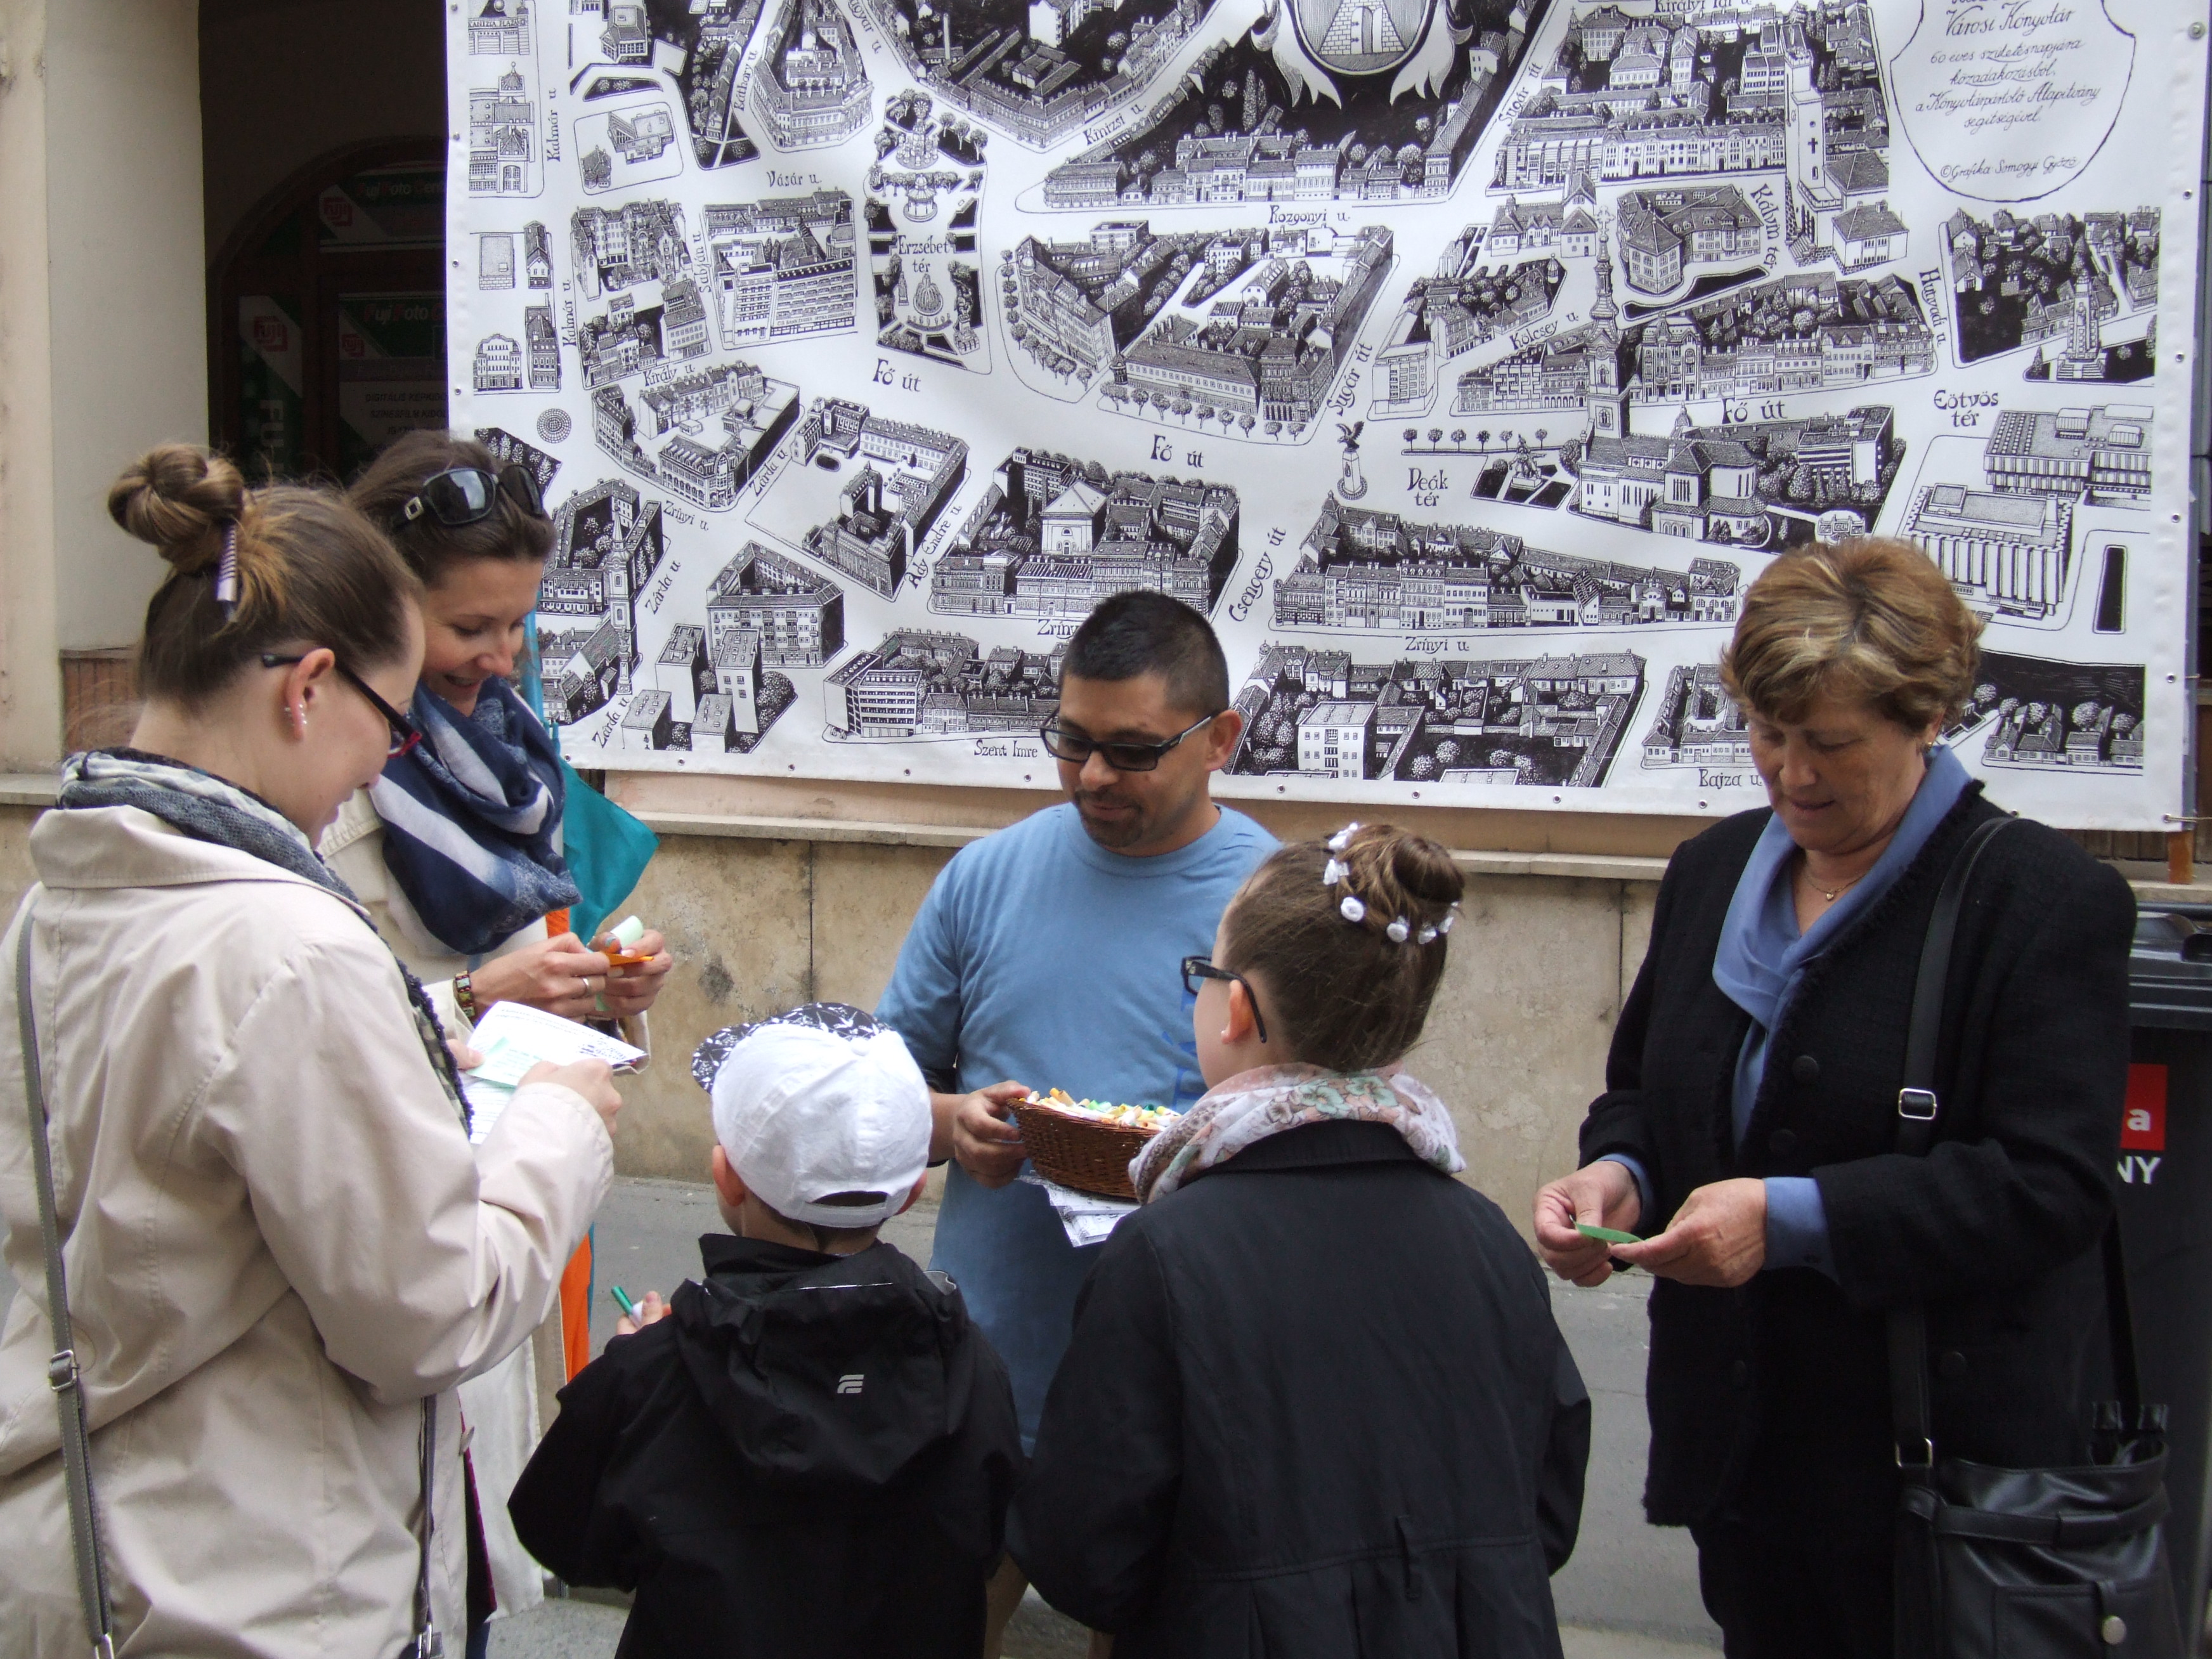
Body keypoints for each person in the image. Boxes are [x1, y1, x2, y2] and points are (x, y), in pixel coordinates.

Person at [0, 446, 620, 1655]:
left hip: (88, 1554)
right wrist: (561, 1125)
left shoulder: (49, 908)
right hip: (261, 1584)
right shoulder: (291, 944)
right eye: (387, 724)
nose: (386, 760)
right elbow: (427, 1314)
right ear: (308, 689)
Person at [1531, 538, 2135, 1659]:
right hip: (1742, 1460)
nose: (1791, 773)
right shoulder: (1711, 872)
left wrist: (1791, 1219)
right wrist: (1618, 1175)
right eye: (1767, 733)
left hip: (1931, 1486)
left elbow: (2050, 1188)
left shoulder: (2042, 902)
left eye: (1831, 742)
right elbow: (1645, 1089)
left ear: (1927, 718)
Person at [1013, 824, 1591, 1655]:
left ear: (1236, 1009)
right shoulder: (1488, 1240)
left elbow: (1087, 1555)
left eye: (1206, 975)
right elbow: (1546, 1510)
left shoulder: (1165, 1255)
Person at [331, 430, 675, 1641]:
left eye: (518, 624)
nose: (500, 656)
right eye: (469, 626)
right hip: (388, 1232)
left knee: (469, 1558)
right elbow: (313, 1033)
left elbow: (535, 953)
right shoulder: (330, 786)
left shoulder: (513, 752)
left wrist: (602, 991)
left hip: (503, 1204)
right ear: (374, 613)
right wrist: (479, 1000)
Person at [875, 590, 1276, 1450]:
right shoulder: (985, 877)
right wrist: (954, 1123)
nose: (1092, 775)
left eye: (1132, 751)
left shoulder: (1275, 906)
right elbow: (883, 1089)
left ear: (1219, 740)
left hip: (1189, 1393)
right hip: (991, 1383)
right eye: (1072, 740)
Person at [507, 1004, 1023, 1658]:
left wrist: (630, 1369)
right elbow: (987, 1536)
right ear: (912, 1190)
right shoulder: (970, 1365)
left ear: (726, 1177)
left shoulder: (653, 1377)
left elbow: (560, 1534)